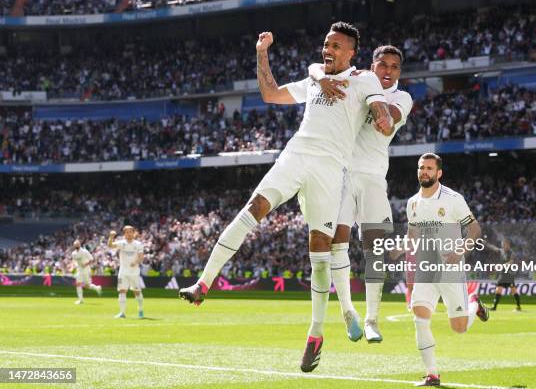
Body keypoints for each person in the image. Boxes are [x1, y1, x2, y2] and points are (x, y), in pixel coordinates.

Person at [178, 21, 393, 373]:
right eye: (326, 43)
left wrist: (383, 116)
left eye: (336, 46)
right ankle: (204, 282)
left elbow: (378, 107)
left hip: (329, 170)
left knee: (320, 252)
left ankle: (316, 333)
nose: (328, 49)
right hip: (295, 155)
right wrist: (262, 54)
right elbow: (270, 94)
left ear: (352, 52)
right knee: (254, 206)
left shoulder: (365, 78)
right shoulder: (313, 80)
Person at [307, 45, 413, 343]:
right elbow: (317, 70)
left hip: (372, 178)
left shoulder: (402, 97)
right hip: (340, 175)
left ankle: (372, 320)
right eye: (383, 65)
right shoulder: (356, 82)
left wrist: (378, 108)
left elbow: (387, 121)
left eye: (394, 67)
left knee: (374, 250)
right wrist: (322, 75)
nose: (388, 71)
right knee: (335, 243)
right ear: (373, 65)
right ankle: (347, 312)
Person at [407, 153, 489, 387]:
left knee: (459, 328)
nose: (424, 171)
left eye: (429, 168)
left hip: (451, 270)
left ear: (439, 173)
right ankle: (432, 374)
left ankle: (475, 305)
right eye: (421, 167)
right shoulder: (412, 203)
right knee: (420, 318)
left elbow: (474, 229)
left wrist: (460, 251)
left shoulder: (453, 199)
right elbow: (412, 234)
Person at [108, 226, 145, 319]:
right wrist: (111, 237)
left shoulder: (138, 244)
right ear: (124, 234)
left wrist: (135, 262)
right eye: (127, 232)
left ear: (133, 233)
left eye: (130, 232)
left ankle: (140, 309)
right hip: (123, 272)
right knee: (122, 291)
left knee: (137, 292)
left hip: (134, 272)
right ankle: (122, 312)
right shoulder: (121, 243)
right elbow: (110, 245)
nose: (129, 234)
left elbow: (141, 257)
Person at [491, 239, 522, 311]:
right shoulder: (501, 251)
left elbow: (511, 262)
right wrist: (486, 243)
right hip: (502, 275)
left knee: (514, 291)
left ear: (508, 245)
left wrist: (501, 266)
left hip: (509, 275)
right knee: (498, 290)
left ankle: (518, 307)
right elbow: (493, 248)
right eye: (503, 244)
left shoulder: (511, 253)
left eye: (505, 244)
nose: (503, 245)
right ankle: (494, 307)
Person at [71, 239, 102, 304]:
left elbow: (91, 259)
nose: (76, 245)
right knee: (78, 284)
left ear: (80, 244)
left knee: (87, 285)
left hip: (86, 270)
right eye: (75, 244)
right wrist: (72, 267)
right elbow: (75, 261)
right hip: (79, 270)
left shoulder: (85, 251)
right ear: (74, 245)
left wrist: (85, 264)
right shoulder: (73, 253)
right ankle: (81, 300)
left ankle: (97, 288)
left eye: (77, 244)